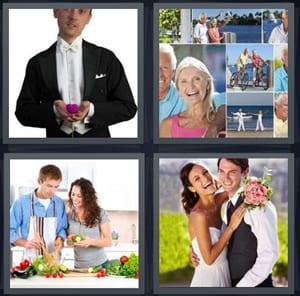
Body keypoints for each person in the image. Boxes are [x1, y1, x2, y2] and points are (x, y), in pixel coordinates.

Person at [15, 9, 137, 137]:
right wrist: (54, 110)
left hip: (100, 147)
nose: (73, 16)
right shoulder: (38, 62)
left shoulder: (106, 58)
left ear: (89, 17)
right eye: (67, 8)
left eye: (81, 11)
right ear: (56, 11)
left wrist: (91, 110)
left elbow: (128, 107)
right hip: (55, 147)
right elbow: (23, 112)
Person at [192, 159, 279, 287]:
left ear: (245, 172)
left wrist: (241, 287)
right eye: (221, 171)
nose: (225, 178)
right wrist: (196, 248)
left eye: (232, 172)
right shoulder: (228, 204)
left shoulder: (256, 204)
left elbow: (270, 253)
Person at [180, 162, 245, 287]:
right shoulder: (199, 214)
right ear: (192, 188)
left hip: (224, 274)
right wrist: (231, 226)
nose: (205, 178)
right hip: (208, 281)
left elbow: (238, 184)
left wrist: (194, 247)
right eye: (197, 179)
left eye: (205, 172)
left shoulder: (218, 200)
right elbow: (209, 259)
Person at [159, 44, 226, 137]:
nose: (191, 86)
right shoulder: (168, 125)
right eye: (184, 81)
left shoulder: (219, 118)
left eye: (197, 79)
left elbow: (229, 101)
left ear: (208, 84)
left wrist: (214, 127)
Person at [10, 165, 67, 259]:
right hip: (31, 260)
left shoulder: (59, 203)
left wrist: (60, 239)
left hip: (54, 261)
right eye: (49, 186)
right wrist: (26, 243)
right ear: (39, 181)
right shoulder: (21, 203)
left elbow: (62, 229)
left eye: (56, 187)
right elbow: (8, 230)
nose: (53, 191)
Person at [66, 178, 112, 269]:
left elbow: (108, 241)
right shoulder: (69, 216)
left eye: (79, 196)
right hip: (79, 267)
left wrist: (90, 241)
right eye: (73, 194)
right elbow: (69, 243)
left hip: (100, 266)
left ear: (87, 197)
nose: (74, 198)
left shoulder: (100, 213)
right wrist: (70, 240)